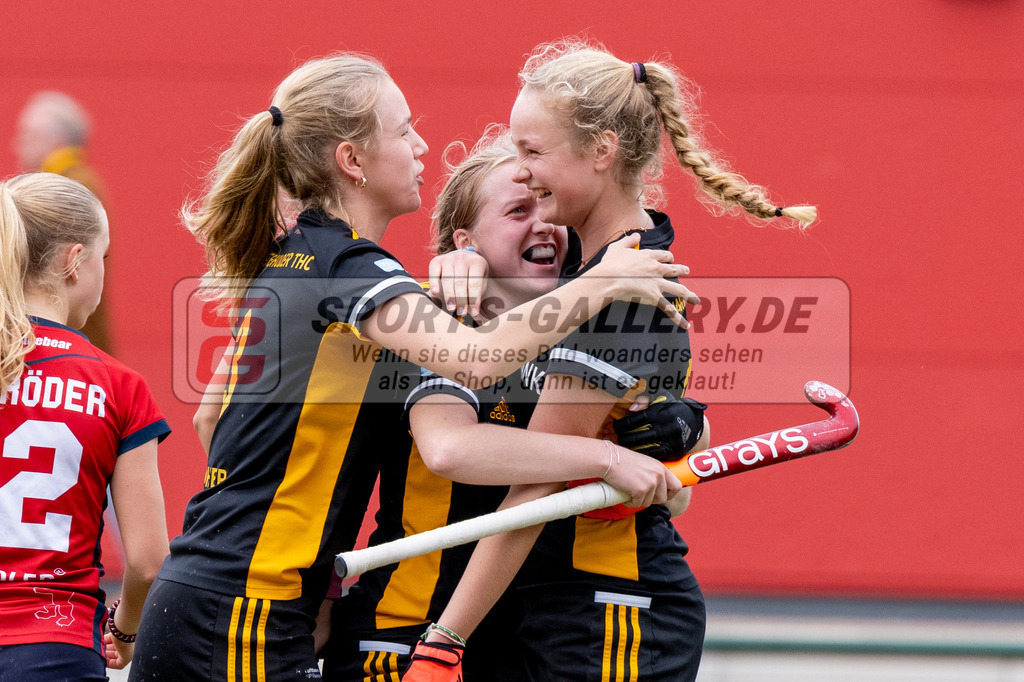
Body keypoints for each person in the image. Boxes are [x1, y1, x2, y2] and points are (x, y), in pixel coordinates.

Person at [130, 53, 697, 681]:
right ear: (352, 161)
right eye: (404, 131)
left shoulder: (310, 259)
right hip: (248, 603)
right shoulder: (354, 271)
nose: (422, 143)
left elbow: (213, 415)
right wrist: (604, 283)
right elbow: (475, 362)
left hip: (232, 588)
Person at [406, 40, 816, 682]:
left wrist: (445, 639)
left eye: (532, 151)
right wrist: (461, 262)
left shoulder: (622, 289)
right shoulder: (588, 268)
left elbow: (537, 479)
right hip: (554, 603)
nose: (520, 169)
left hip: (612, 606)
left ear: (602, 151)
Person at [321, 129, 710, 681]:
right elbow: (452, 449)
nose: (543, 224)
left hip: (503, 629)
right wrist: (606, 458)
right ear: (466, 243)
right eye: (517, 210)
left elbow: (670, 502)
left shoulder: (575, 344)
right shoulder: (438, 322)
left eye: (546, 206)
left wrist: (683, 434)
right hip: (403, 627)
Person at [0, 173, 170, 680]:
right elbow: (147, 561)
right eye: (105, 257)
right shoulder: (118, 384)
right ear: (75, 261)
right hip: (57, 647)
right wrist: (124, 631)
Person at [13, 91, 112, 352]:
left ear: (55, 140)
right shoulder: (78, 183)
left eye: (27, 135)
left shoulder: (69, 188)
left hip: (64, 343)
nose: (16, 144)